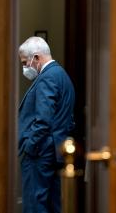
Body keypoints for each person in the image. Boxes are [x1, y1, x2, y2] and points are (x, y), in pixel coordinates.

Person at [18, 36, 75, 213]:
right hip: (54, 151)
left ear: (36, 57)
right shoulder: (61, 75)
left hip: (40, 153)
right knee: (52, 205)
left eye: (25, 62)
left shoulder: (47, 78)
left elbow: (43, 120)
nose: (25, 67)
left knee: (35, 205)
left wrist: (29, 147)